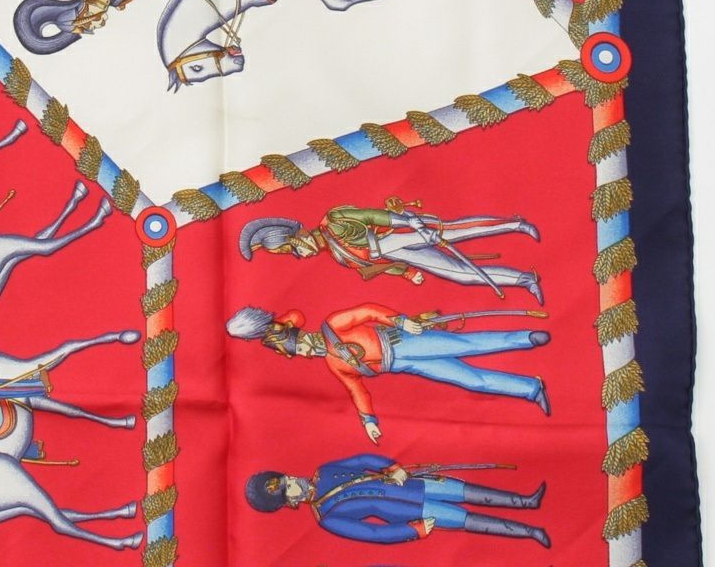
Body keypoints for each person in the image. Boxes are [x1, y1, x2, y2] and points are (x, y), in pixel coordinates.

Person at [227, 303, 550, 441]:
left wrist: (400, 320)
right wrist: (368, 420)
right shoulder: (334, 364)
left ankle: (526, 338)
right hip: (405, 364)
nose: (307, 353)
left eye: (303, 347)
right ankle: (531, 389)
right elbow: (356, 389)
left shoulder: (332, 325)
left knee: (468, 345)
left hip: (405, 340)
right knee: (472, 380)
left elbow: (368, 310)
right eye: (302, 354)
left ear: (304, 336)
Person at [238, 200, 543, 301]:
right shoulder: (337, 255)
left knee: (457, 231)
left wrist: (409, 221)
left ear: (298, 236)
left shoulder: (334, 221)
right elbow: (377, 265)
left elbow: (374, 217)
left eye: (292, 249)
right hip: (399, 253)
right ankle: (524, 280)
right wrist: (407, 274)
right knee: (461, 274)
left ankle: (516, 224)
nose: (299, 256)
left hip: (399, 232)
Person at [244, 453, 549, 547]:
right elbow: (374, 533)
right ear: (290, 503)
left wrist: (391, 467)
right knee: (466, 519)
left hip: (412, 484)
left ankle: (526, 502)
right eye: (288, 489)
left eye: (287, 478)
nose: (293, 482)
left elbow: (363, 460)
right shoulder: (327, 518)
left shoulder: (324, 470)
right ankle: (530, 532)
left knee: (468, 492)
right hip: (414, 511)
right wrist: (412, 530)